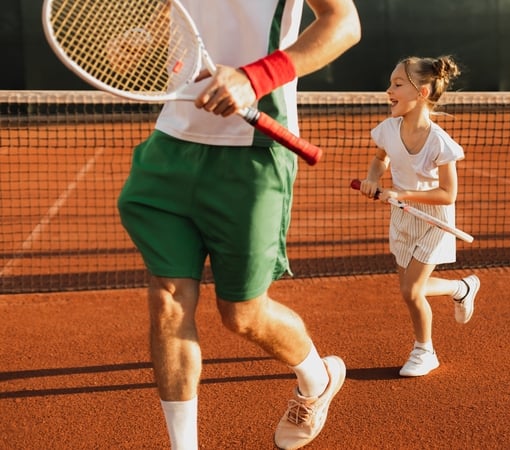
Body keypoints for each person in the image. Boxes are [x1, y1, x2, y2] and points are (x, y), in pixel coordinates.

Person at [116, 1, 360, 449]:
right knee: (167, 300)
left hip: (254, 150)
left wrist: (254, 78)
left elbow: (344, 23)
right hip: (171, 142)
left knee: (243, 315)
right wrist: (140, 40)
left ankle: (318, 376)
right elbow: (166, 16)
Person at [357, 55, 481, 378]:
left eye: (397, 84)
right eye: (391, 84)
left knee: (412, 291)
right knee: (411, 288)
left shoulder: (440, 142)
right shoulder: (388, 130)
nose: (389, 90)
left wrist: (402, 194)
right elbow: (379, 159)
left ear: (422, 93)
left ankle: (425, 351)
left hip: (433, 219)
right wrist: (373, 179)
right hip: (401, 217)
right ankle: (461, 289)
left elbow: (447, 194)